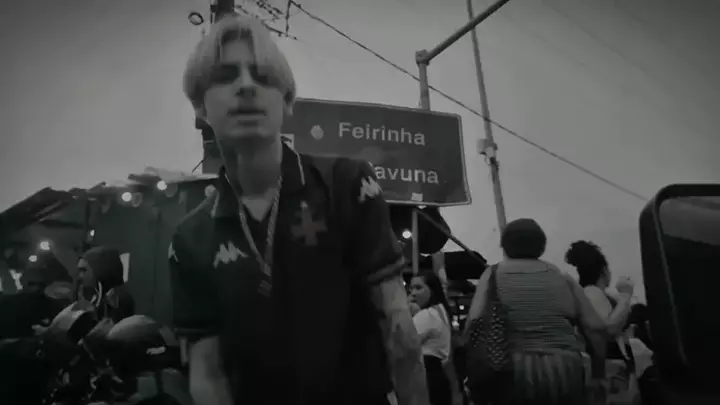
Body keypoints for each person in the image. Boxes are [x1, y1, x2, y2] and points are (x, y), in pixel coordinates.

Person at [170, 14, 429, 405]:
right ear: (199, 108)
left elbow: (399, 331)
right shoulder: (191, 238)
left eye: (263, 76)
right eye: (225, 76)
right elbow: (208, 373)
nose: (246, 85)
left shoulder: (346, 184)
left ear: (286, 102)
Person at [465, 218, 610, 404]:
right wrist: (598, 374)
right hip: (565, 370)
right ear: (542, 246)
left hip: (513, 371)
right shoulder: (562, 277)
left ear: (505, 246)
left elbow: (473, 322)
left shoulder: (492, 275)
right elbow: (596, 328)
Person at [565, 240, 638, 405]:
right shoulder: (593, 293)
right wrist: (625, 296)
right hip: (609, 369)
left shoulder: (589, 293)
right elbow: (609, 328)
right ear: (604, 270)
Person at [409, 270, 454, 405]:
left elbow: (404, 342)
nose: (413, 293)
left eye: (419, 288)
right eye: (411, 288)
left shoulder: (428, 315)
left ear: (432, 290)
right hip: (438, 376)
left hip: (426, 377)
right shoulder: (440, 311)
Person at [76, 246, 135, 323]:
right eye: (79, 271)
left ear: (100, 269)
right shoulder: (97, 297)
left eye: (83, 270)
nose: (79, 276)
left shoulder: (116, 298)